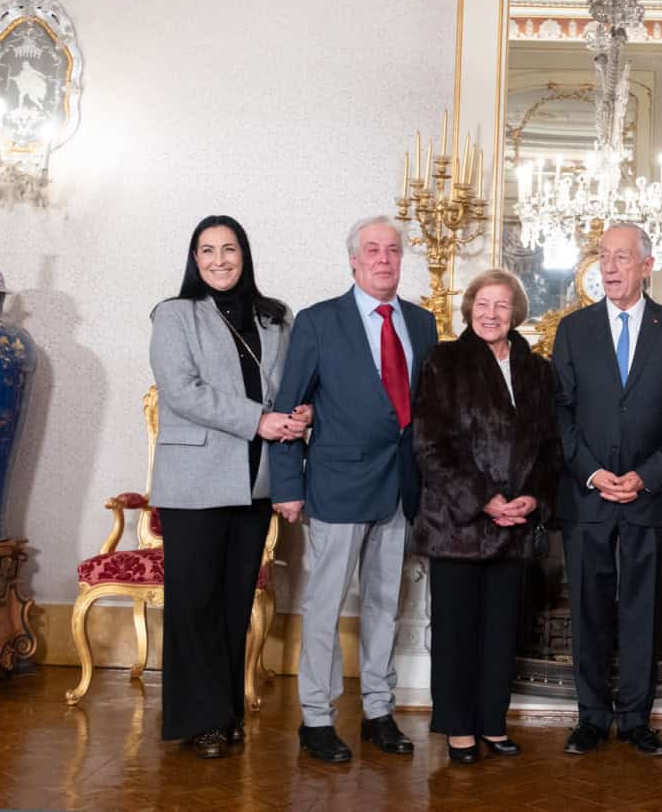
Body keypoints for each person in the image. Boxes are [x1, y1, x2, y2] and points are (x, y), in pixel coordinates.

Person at [269, 216, 438, 764]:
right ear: (354, 260)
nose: (384, 259)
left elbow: (423, 412)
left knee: (387, 605)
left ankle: (377, 711)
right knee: (323, 605)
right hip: (337, 486)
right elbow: (290, 405)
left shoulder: (422, 322)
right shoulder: (319, 322)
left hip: (399, 488)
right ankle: (316, 718)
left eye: (392, 250)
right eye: (373, 250)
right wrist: (287, 486)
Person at [148, 215, 311, 759]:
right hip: (194, 481)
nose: (219, 260)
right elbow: (181, 391)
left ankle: (225, 712)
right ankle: (199, 722)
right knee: (195, 603)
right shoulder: (174, 315)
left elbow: (288, 386)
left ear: (245, 254)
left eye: (229, 249)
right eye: (207, 250)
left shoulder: (274, 316)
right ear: (195, 260)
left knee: (234, 602)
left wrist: (300, 411)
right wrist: (259, 421)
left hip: (255, 481)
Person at [551, 223, 662, 757]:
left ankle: (637, 718)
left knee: (642, 611)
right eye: (604, 257)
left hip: (649, 496)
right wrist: (592, 472)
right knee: (589, 609)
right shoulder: (573, 329)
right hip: (587, 494)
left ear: (647, 265)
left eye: (621, 258)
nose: (609, 267)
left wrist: (646, 475)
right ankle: (590, 716)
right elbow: (560, 412)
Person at [411, 269, 562, 765]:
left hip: (516, 526)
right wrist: (484, 499)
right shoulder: (444, 361)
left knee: (501, 633)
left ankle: (492, 723)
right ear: (469, 307)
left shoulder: (537, 370)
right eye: (482, 303)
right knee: (456, 631)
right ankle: (458, 729)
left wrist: (533, 498)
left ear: (515, 313)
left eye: (501, 305)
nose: (490, 313)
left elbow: (549, 446)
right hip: (459, 523)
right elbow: (432, 446)